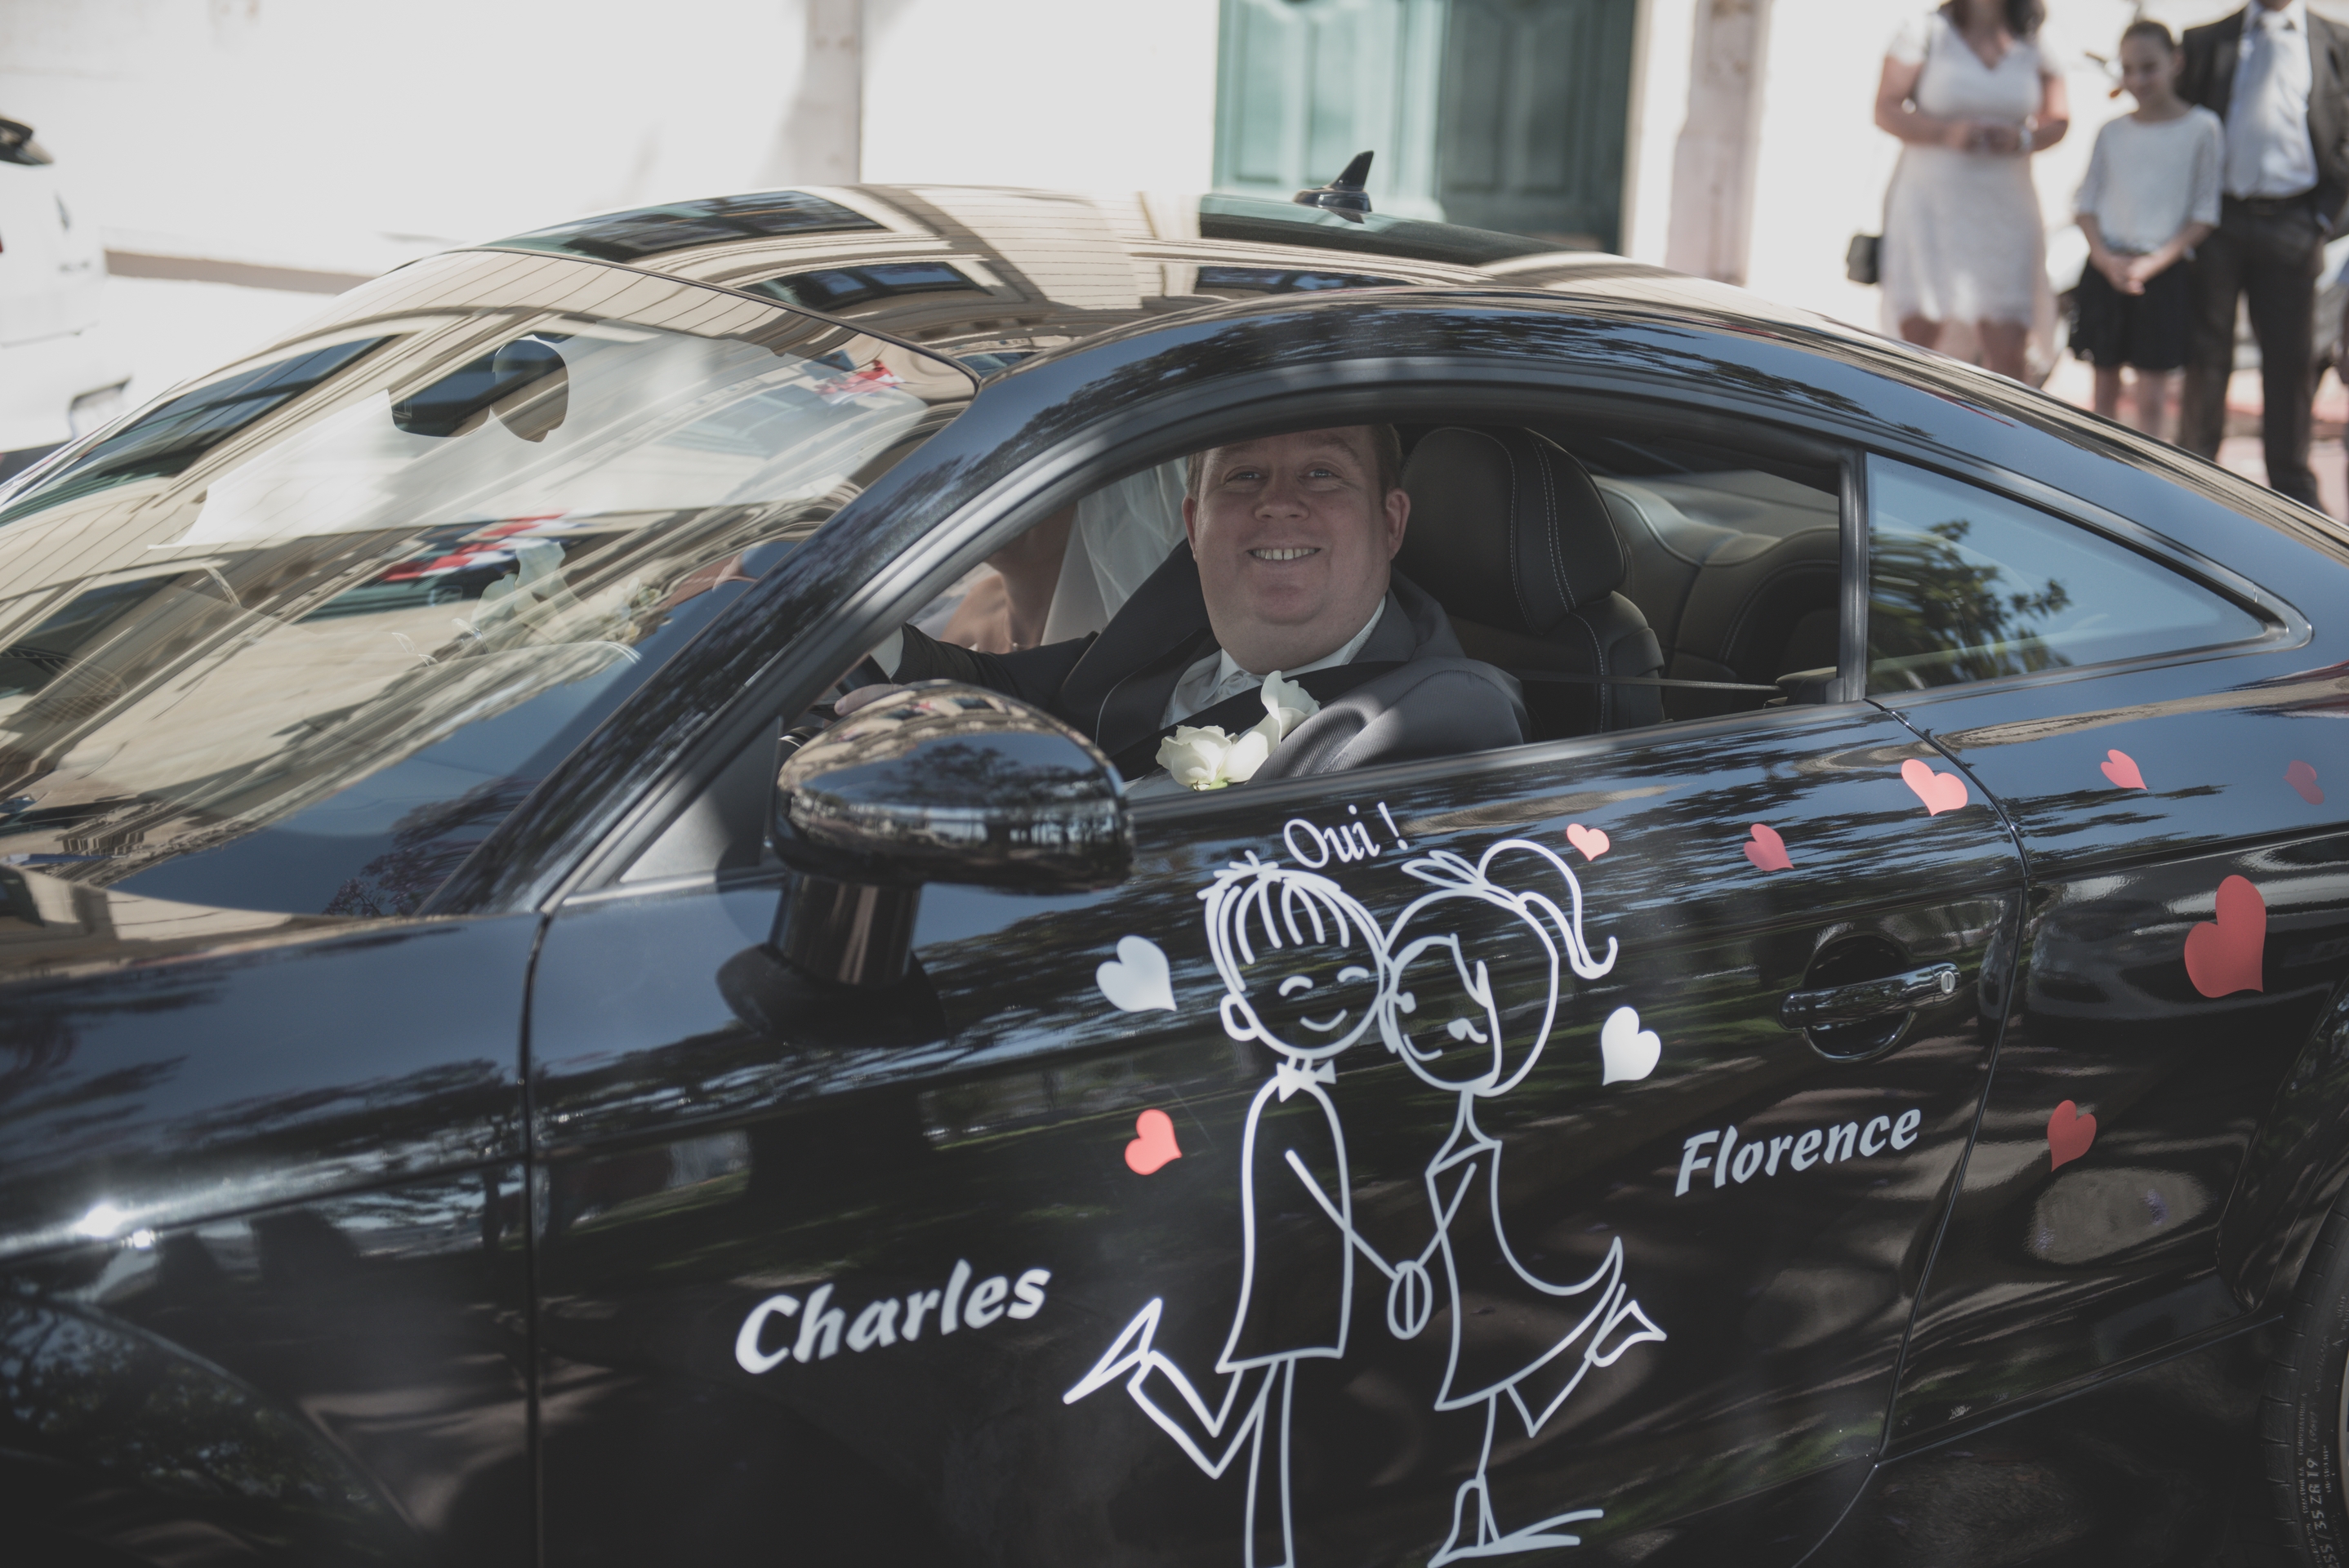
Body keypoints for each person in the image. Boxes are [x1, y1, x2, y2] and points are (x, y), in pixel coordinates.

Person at [842, 425, 1526, 783]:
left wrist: (995, 780)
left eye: (1322, 473)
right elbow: (1009, 689)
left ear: (1391, 523)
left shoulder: (1435, 718)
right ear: (1194, 526)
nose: (1278, 502)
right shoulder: (1172, 629)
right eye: (1244, 475)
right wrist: (843, 621)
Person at [2177, 0, 2349, 511]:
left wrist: (2322, 219)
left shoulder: (2336, 42)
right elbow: (2183, 127)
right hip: (2219, 218)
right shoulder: (2208, 40)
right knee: (2207, 354)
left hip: (2296, 220)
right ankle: (2193, 478)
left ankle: (2292, 490)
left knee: (2291, 360)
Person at [1874, 0, 2072, 381]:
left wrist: (2022, 138)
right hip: (1931, 206)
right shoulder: (1924, 31)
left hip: (2006, 210)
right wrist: (1944, 133)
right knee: (1919, 342)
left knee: (2010, 347)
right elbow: (1885, 109)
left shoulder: (2037, 40)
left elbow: (2058, 119)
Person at [2072, 21, 2224, 438]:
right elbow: (2085, 205)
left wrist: (2151, 265)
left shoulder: (2202, 128)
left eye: (2149, 67)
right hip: (2107, 267)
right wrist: (2105, 259)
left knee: (2153, 397)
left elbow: (2204, 214)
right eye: (2128, 69)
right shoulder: (2111, 131)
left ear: (2176, 62)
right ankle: (2096, 470)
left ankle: (2145, 475)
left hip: (2163, 274)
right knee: (2103, 391)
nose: (2138, 79)